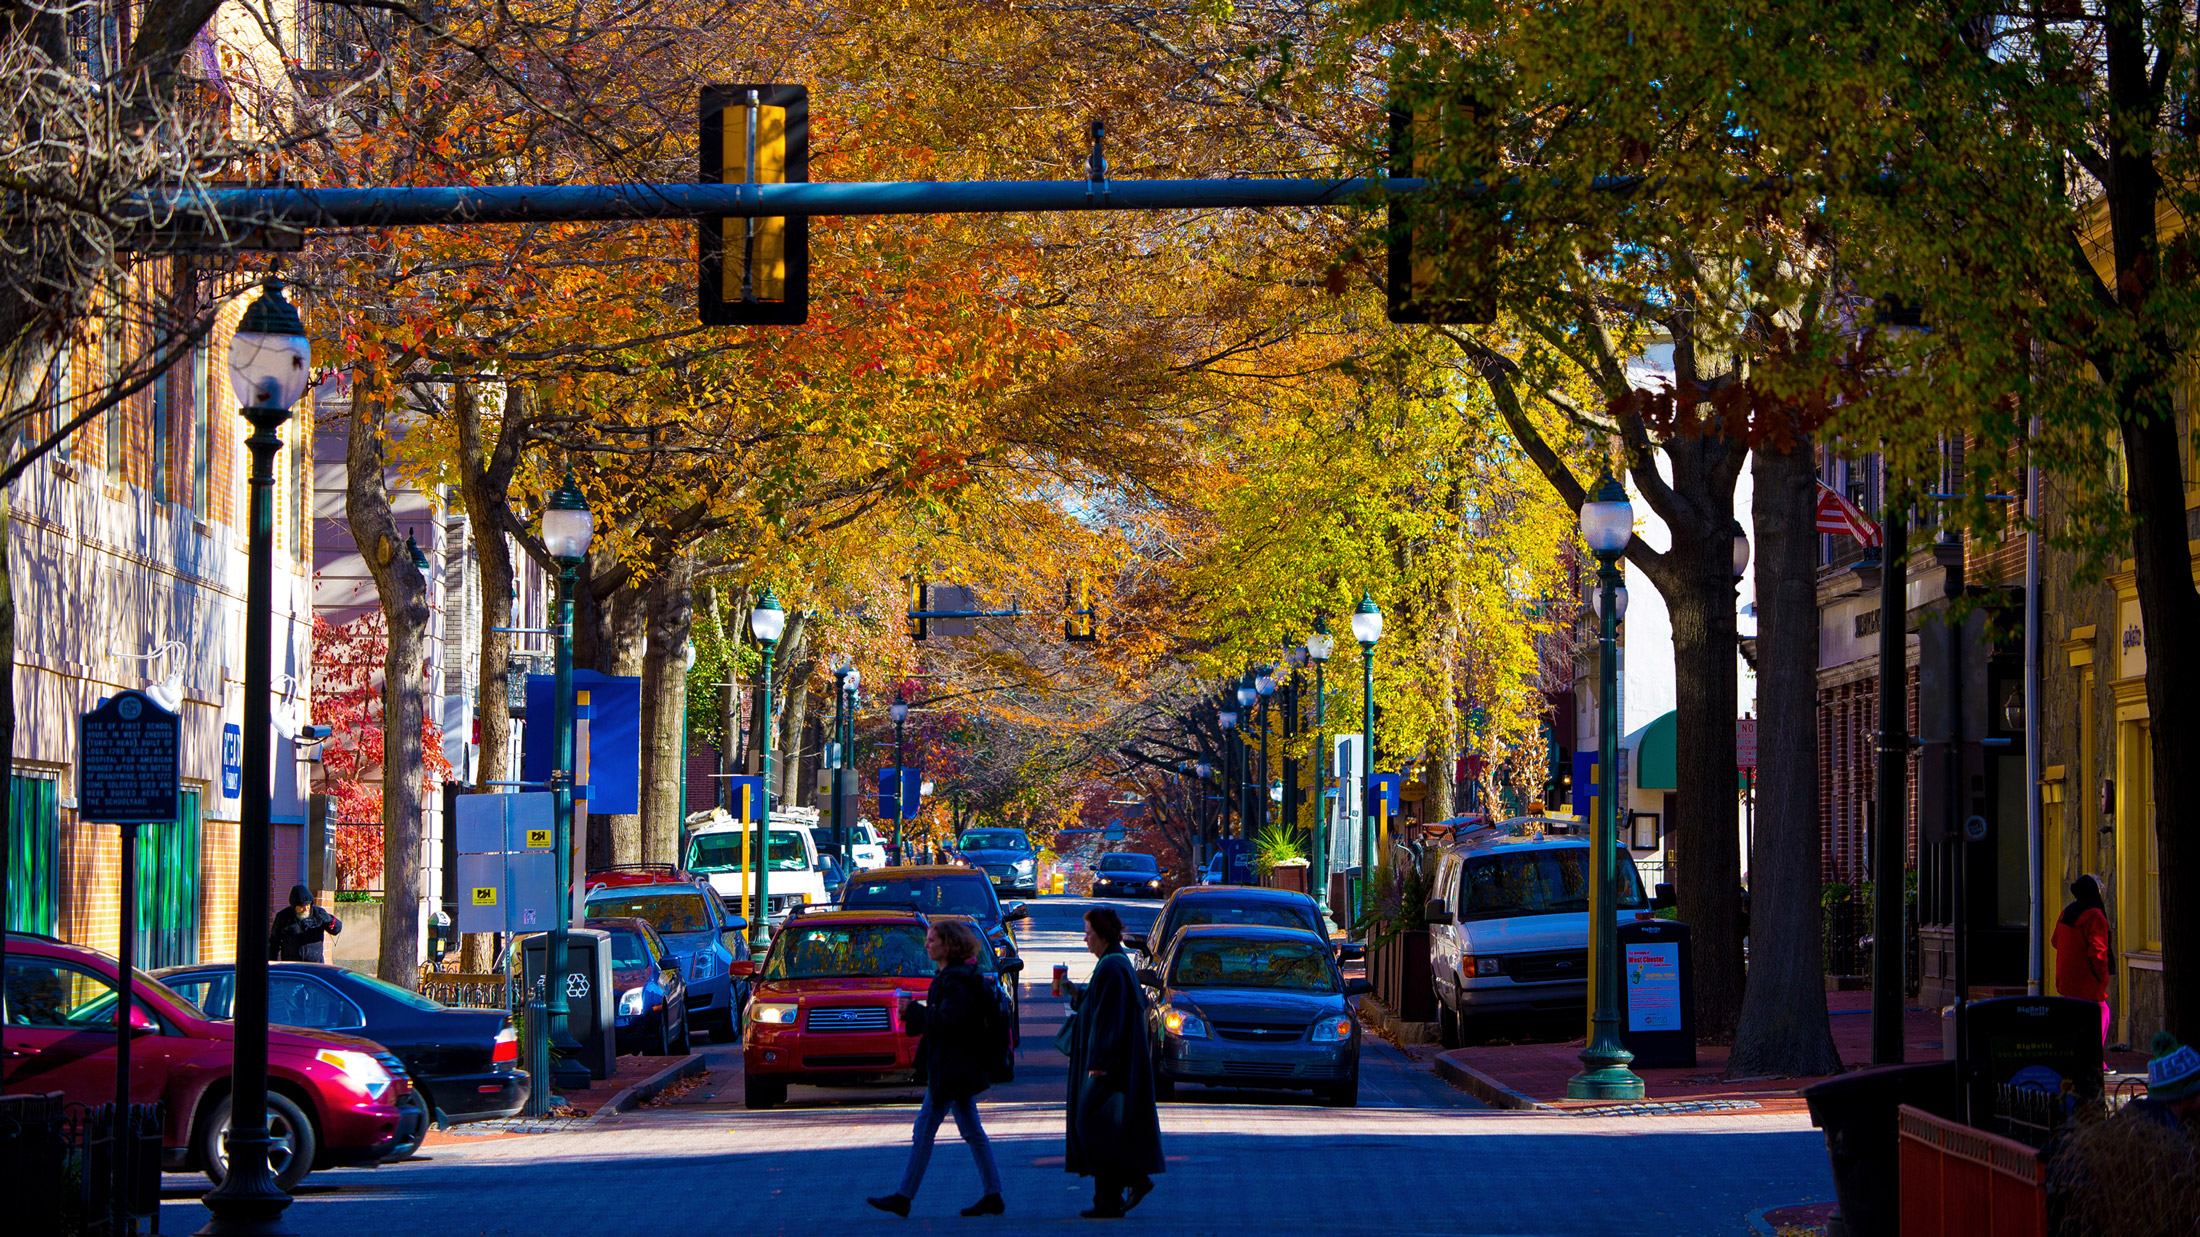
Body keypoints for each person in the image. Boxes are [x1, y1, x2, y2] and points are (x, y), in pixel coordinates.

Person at [867, 920, 1006, 1218]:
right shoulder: (958, 977)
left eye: (933, 940)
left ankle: (904, 1197)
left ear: (949, 945)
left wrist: (914, 1012)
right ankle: (993, 1193)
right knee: (971, 1130)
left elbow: (948, 1024)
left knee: (925, 1128)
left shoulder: (955, 982)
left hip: (951, 1069)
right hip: (959, 1067)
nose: (927, 944)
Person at [1065, 906, 1163, 1219]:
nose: (1085, 940)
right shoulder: (1115, 964)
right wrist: (1074, 992)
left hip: (1110, 1066)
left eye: (1089, 934)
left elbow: (1108, 1018)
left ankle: (1132, 1180)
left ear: (1103, 935)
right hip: (1118, 1063)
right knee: (1103, 1127)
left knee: (1090, 1124)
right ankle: (1107, 1200)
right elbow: (1102, 1003)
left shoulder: (1111, 967)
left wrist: (1099, 1061)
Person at [2052, 874, 2113, 1058]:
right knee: (2102, 1012)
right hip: (2087, 980)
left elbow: (2054, 941)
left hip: (2065, 978)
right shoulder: (2096, 916)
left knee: (2073, 1020)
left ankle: (2073, 1056)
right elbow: (2098, 951)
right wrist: (2102, 977)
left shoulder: (2066, 913)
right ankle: (2096, 1059)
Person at [269, 885, 342, 962]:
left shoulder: (318, 913)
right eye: (301, 906)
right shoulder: (283, 917)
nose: (306, 909)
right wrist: (272, 963)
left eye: (308, 905)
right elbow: (274, 943)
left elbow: (336, 930)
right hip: (292, 964)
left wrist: (329, 920)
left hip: (314, 964)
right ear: (294, 906)